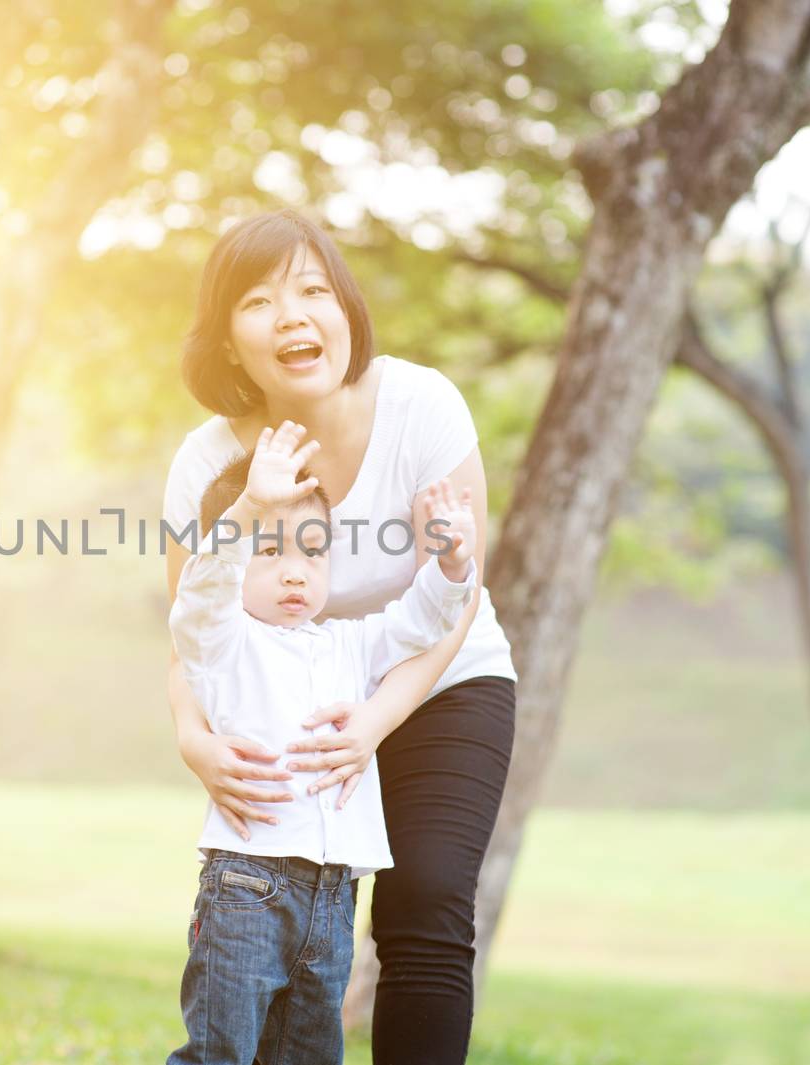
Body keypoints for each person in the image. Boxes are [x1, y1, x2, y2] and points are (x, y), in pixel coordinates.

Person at [162, 208, 518, 1063]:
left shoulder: (421, 404)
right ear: (227, 341)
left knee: (425, 901)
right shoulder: (209, 465)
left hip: (435, 677)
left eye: (312, 290)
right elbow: (193, 628)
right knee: (279, 921)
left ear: (345, 310)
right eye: (259, 300)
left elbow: (456, 597)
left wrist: (374, 723)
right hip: (294, 698)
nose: (292, 315)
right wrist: (192, 737)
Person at [167, 419, 479, 1065]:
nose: (294, 573)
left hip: (334, 897)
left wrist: (451, 560)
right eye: (270, 549)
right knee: (218, 1053)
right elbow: (202, 589)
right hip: (247, 890)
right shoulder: (223, 642)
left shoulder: (346, 643)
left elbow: (421, 621)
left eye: (312, 551)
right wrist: (249, 504)